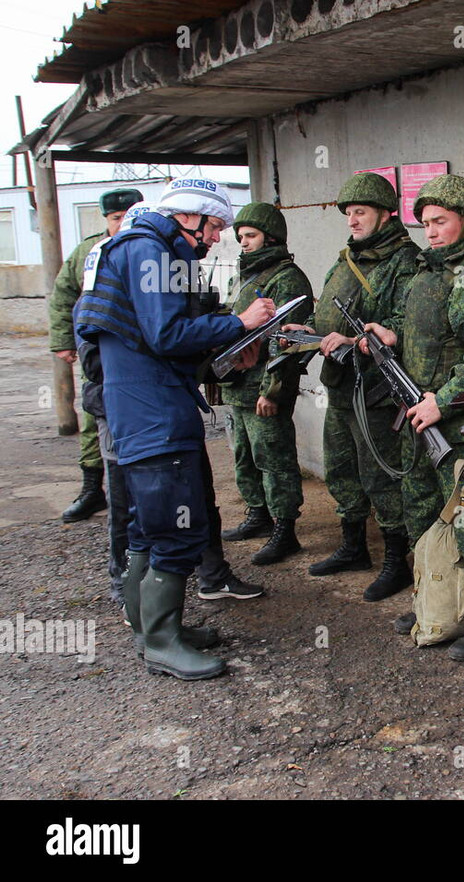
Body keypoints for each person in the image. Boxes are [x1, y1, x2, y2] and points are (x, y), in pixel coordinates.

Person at [75, 177, 276, 680]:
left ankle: (153, 632)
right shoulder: (151, 252)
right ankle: (162, 642)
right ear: (189, 216)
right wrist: (242, 323)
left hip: (140, 409)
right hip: (154, 415)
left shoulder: (132, 246)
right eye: (214, 227)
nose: (215, 239)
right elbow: (167, 334)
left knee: (149, 526)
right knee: (177, 530)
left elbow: (152, 336)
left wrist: (226, 347)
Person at [364, 174, 464, 661]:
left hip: (460, 424)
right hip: (419, 415)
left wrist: (443, 401)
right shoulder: (425, 271)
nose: (429, 231)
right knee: (422, 511)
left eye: (440, 222)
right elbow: (420, 326)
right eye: (425, 222)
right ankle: (434, 598)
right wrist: (391, 335)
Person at [286, 172, 419, 601]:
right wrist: (309, 332)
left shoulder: (406, 261)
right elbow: (331, 319)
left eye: (360, 212)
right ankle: (353, 547)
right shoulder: (346, 261)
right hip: (341, 384)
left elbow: (409, 326)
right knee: (341, 469)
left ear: (385, 213)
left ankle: (398, 562)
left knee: (379, 475)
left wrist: (362, 339)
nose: (352, 221)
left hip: (378, 390)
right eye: (348, 213)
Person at [218, 202, 314, 565]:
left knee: (274, 458)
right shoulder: (245, 276)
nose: (243, 243)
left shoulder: (287, 278)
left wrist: (273, 390)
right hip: (237, 385)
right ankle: (257, 515)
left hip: (263, 388)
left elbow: (290, 342)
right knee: (244, 456)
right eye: (240, 237)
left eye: (251, 236)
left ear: (270, 237)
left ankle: (284, 529)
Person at [49, 187, 142, 523]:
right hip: (97, 353)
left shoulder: (146, 249)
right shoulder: (89, 250)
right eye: (116, 218)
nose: (122, 223)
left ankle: (133, 493)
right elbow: (63, 295)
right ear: (106, 220)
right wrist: (63, 340)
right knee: (94, 419)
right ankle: (92, 489)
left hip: (132, 356)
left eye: (127, 216)